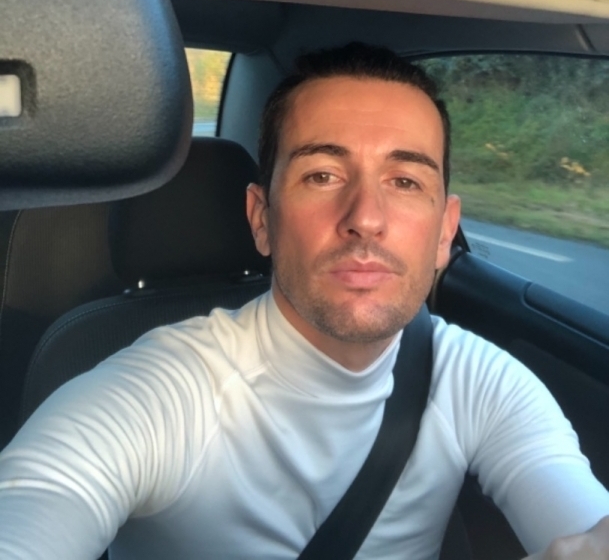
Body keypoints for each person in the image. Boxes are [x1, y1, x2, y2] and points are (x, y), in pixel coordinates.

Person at [0, 42, 607, 559]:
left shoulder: (480, 383)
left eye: (405, 181)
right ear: (262, 218)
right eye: (322, 175)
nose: (366, 217)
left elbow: (581, 520)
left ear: (445, 232)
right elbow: (42, 500)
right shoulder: (161, 392)